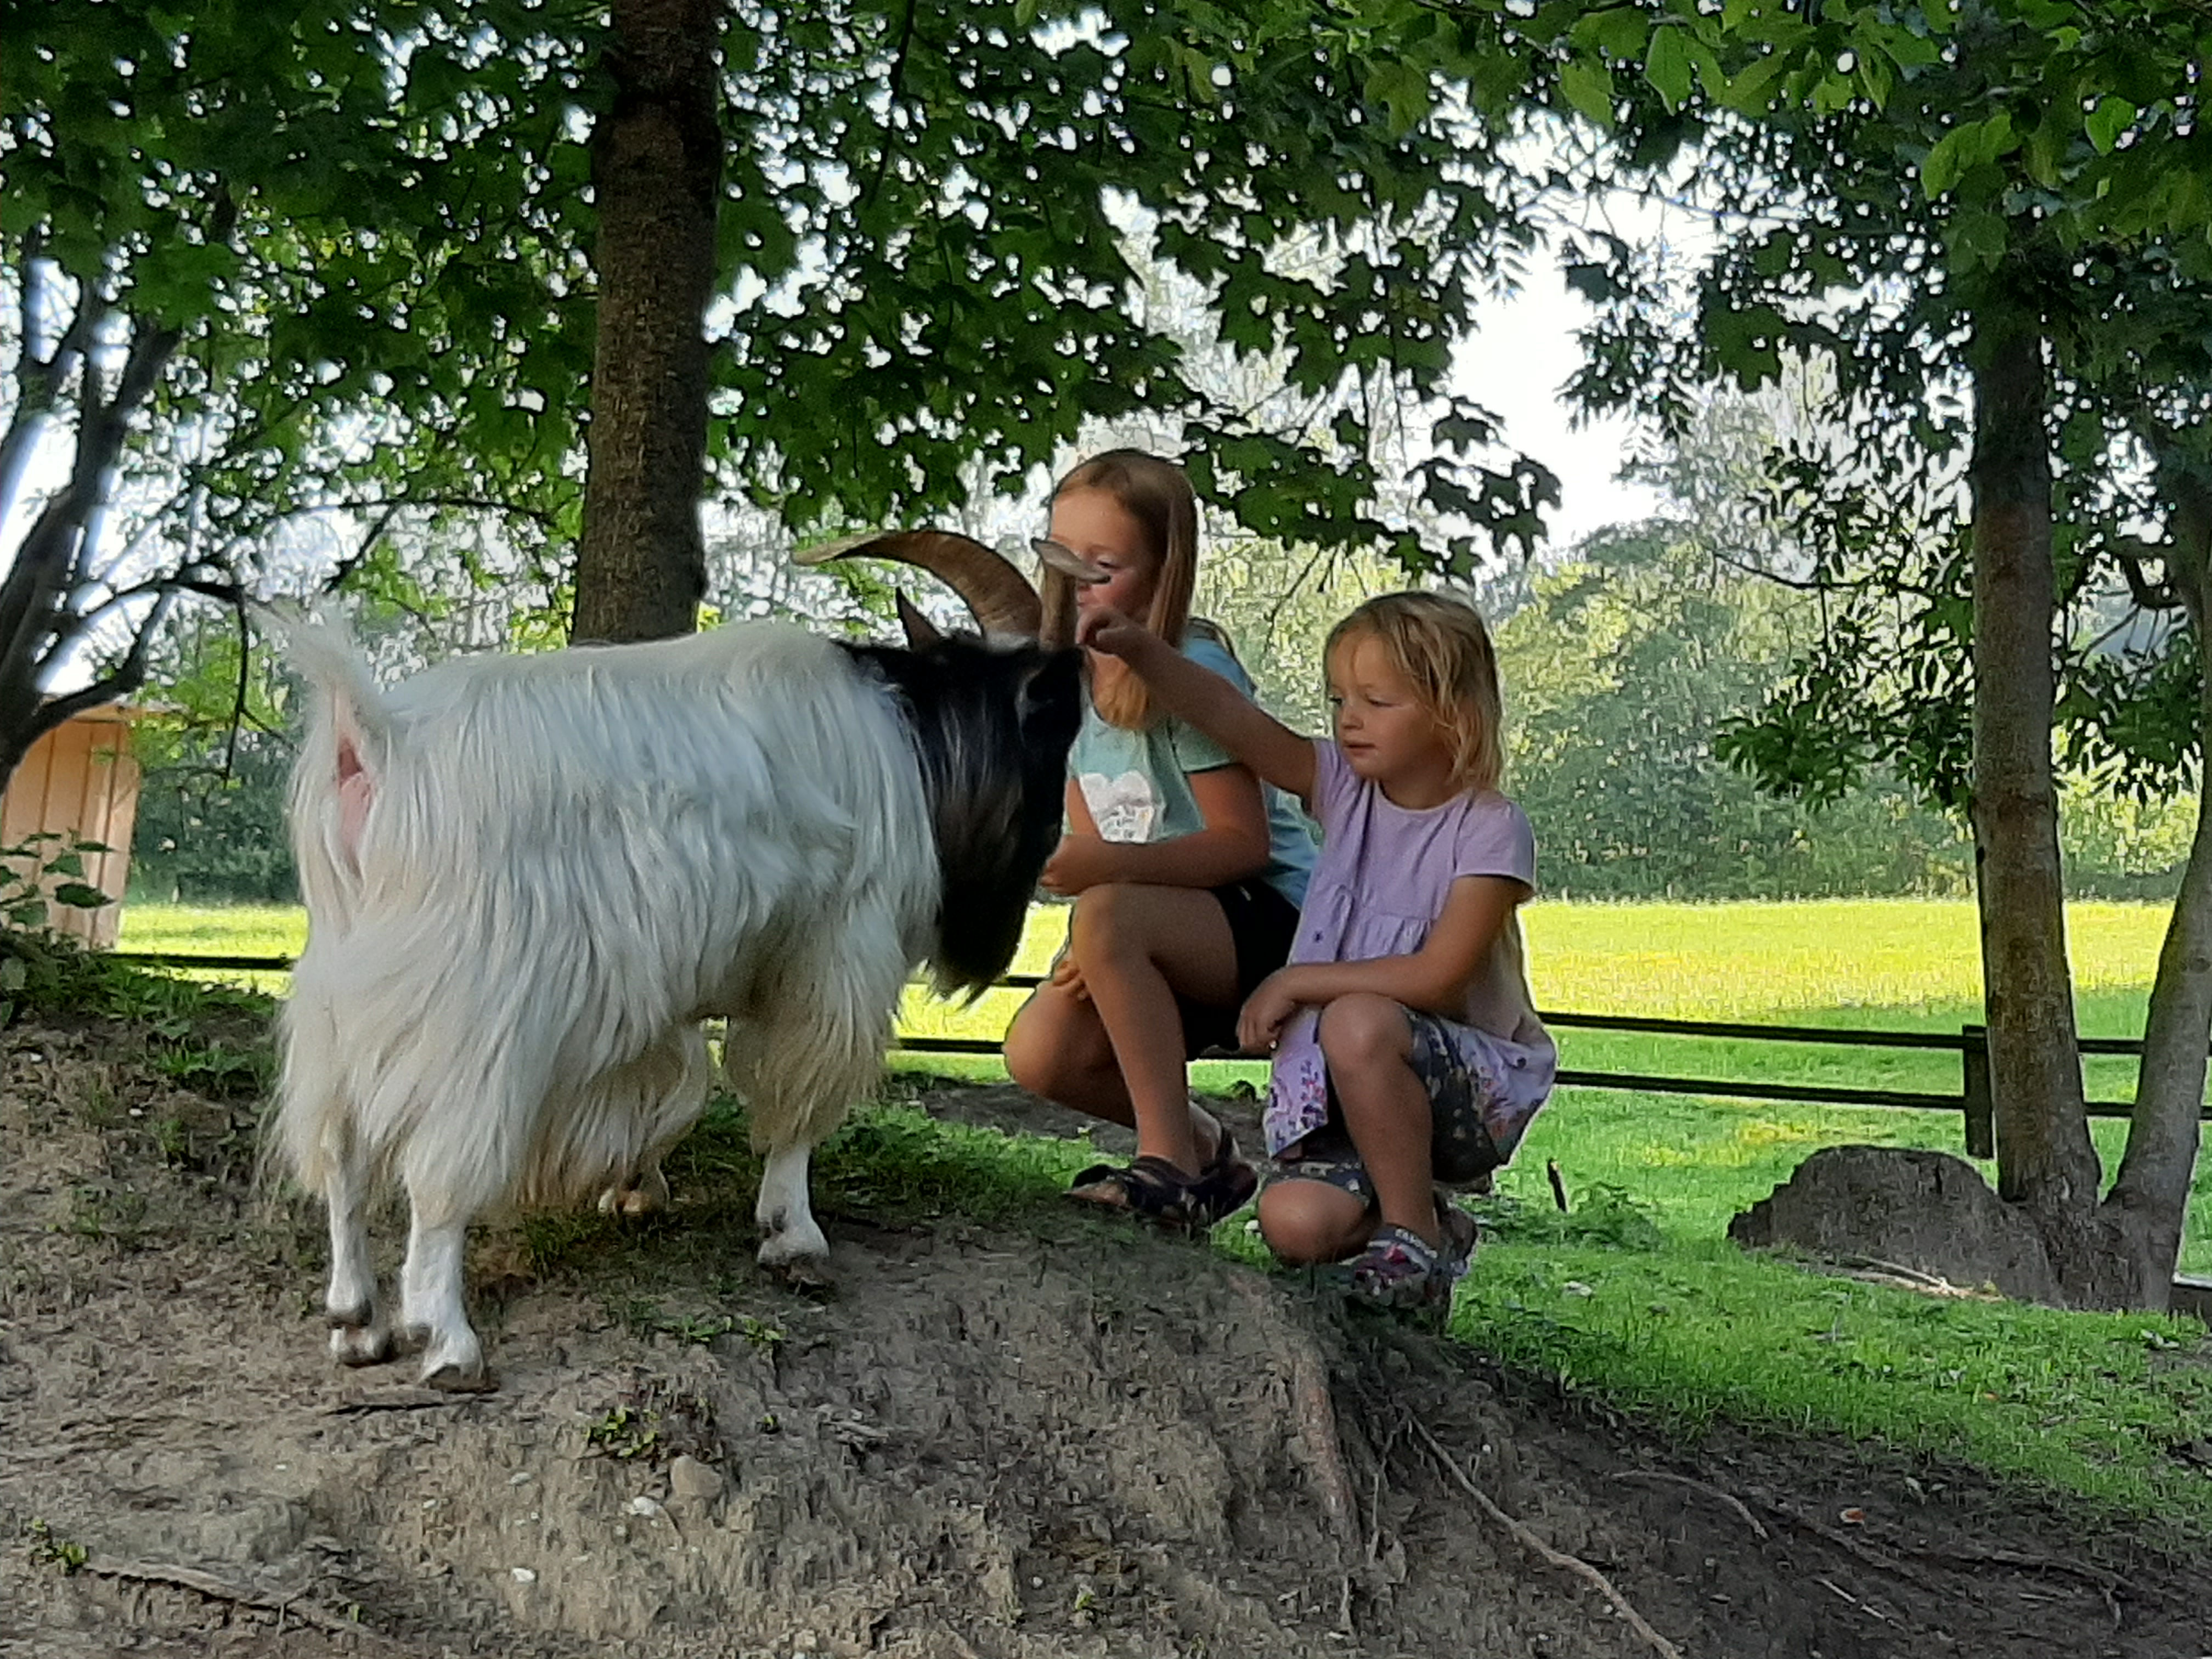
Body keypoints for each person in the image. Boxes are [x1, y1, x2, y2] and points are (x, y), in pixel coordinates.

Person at [1076, 589, 1554, 1309]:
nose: (1348, 720)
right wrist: (1143, 652)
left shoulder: (1489, 828)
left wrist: (1298, 981)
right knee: (1290, 1225)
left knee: (1357, 1018)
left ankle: (1409, 1242)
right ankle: (1433, 1225)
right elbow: (1234, 722)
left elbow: (1437, 976)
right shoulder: (1343, 789)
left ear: (1452, 712)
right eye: (1338, 700)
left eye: (1377, 701)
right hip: (1349, 1090)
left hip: (1461, 1087)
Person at [1002, 450, 1316, 1228]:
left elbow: (1241, 843)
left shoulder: (1186, 671)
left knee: (1109, 916)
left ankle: (1167, 1164)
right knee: (1039, 1051)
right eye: (1060, 559)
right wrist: (1091, 922)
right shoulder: (1067, 684)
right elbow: (1084, 838)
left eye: (1101, 568)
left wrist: (1103, 894)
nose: (1075, 585)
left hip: (1275, 923)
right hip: (1164, 927)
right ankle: (1208, 1151)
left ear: (1162, 571)